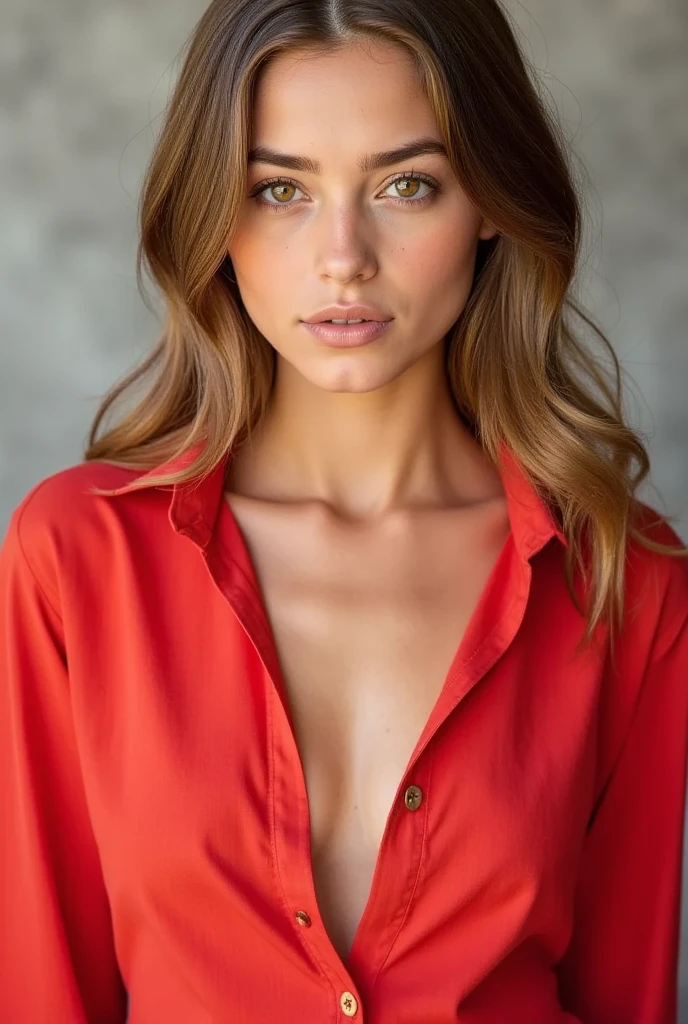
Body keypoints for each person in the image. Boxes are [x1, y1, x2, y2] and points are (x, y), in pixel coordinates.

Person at [1, 1, 688, 1021]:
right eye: (278, 189)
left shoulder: (626, 581)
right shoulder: (78, 556)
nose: (342, 257)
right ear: (212, 213)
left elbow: (625, 994)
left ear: (492, 200)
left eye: (407, 185)